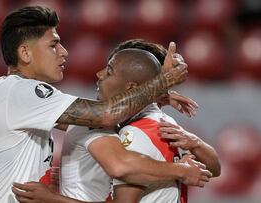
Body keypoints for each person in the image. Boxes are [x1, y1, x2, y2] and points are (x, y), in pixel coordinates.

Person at [0, 5, 200, 203]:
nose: (63, 52)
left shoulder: (6, 92)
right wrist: (163, 82)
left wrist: (154, 97)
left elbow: (91, 120)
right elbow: (104, 115)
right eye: (53, 45)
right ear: (25, 52)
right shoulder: (22, 91)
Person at [11, 40, 220, 203]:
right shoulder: (165, 124)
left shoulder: (134, 135)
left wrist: (51, 199)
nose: (99, 75)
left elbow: (121, 172)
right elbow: (213, 169)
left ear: (132, 87)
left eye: (110, 71)